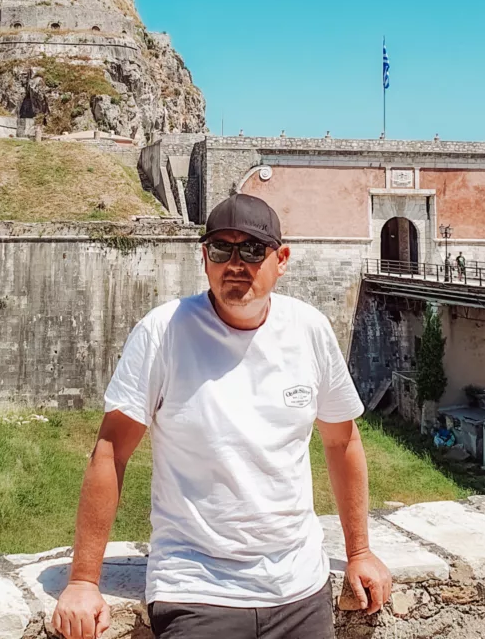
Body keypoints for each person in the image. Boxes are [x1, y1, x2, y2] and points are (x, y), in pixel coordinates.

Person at [51, 193, 392, 639]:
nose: (236, 263)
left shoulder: (309, 329)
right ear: (204, 257)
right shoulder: (164, 332)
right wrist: (82, 581)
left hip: (299, 589)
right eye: (221, 249)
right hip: (195, 590)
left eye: (252, 249)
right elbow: (111, 452)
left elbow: (341, 441)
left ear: (281, 258)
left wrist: (360, 552)